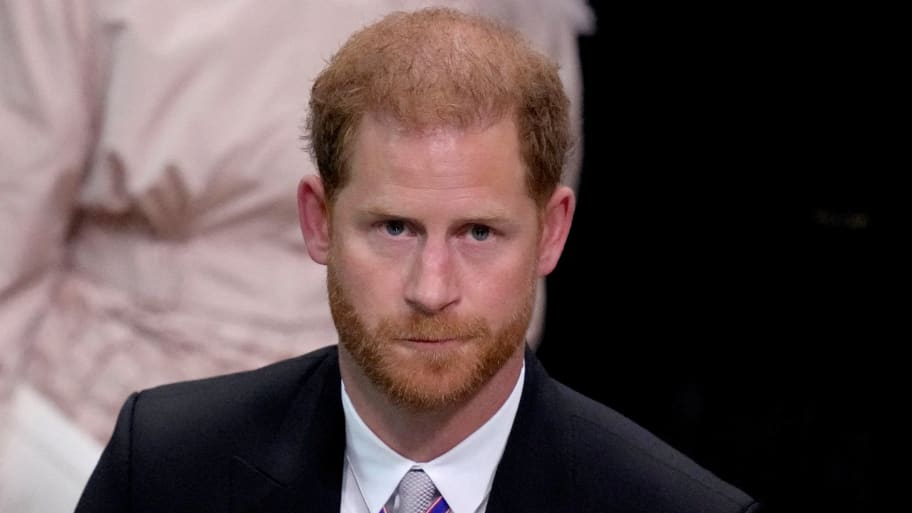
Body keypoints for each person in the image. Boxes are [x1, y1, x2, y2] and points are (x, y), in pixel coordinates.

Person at [73, 7, 761, 512]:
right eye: (395, 227)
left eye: (479, 233)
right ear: (318, 221)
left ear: (553, 233)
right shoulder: (162, 468)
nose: (431, 289)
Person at [0, 1, 592, 511]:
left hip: (401, 422)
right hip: (92, 424)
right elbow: (17, 198)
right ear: (317, 219)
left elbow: (517, 196)